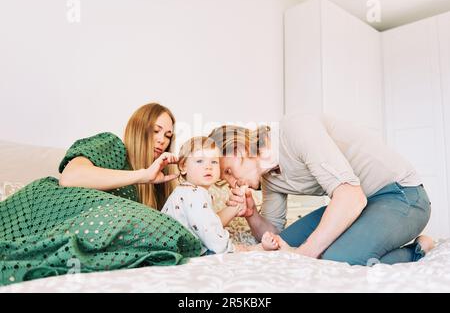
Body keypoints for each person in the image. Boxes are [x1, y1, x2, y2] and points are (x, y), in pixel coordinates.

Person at [0, 103, 202, 286]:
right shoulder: (114, 147)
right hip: (42, 208)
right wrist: (142, 175)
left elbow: (182, 226)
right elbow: (70, 178)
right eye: (155, 131)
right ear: (138, 129)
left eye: (168, 136)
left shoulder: (160, 180)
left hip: (86, 231)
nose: (161, 140)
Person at [208, 113, 435, 265]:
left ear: (237, 150)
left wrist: (303, 254)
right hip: (362, 204)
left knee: (337, 257)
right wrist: (251, 215)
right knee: (278, 251)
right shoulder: (268, 177)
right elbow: (274, 238)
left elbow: (350, 197)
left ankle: (418, 249)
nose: (231, 183)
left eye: (227, 172)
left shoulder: (294, 128)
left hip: (401, 194)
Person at [161, 136, 275, 254]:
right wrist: (234, 248)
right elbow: (211, 234)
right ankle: (255, 248)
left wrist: (237, 206)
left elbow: (209, 222)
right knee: (244, 249)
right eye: (200, 161)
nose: (208, 166)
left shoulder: (186, 191)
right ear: (183, 166)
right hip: (172, 249)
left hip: (173, 247)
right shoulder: (194, 194)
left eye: (214, 161)